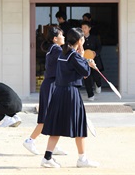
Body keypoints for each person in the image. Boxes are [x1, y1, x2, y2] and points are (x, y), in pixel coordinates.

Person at [41, 28, 99, 168]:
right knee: (79, 125)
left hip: (59, 92)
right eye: (82, 39)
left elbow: (77, 69)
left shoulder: (63, 53)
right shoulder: (73, 56)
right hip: (71, 93)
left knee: (56, 126)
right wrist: (89, 64)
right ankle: (82, 159)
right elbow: (85, 73)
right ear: (79, 40)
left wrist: (82, 57)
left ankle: (47, 158)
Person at [23, 27, 67, 156]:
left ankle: (53, 145)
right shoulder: (57, 49)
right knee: (46, 117)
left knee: (55, 117)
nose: (63, 37)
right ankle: (30, 141)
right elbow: (68, 60)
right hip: (50, 86)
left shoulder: (54, 49)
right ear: (55, 39)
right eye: (61, 35)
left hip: (52, 85)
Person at [81, 21, 103, 101]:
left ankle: (98, 84)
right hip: (84, 61)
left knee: (96, 75)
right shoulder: (80, 39)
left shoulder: (94, 38)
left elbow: (99, 47)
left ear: (89, 28)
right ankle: (90, 95)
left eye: (85, 28)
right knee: (87, 77)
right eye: (82, 28)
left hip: (94, 60)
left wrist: (96, 53)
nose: (83, 29)